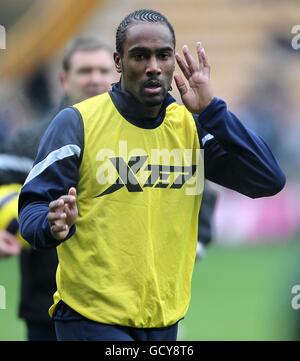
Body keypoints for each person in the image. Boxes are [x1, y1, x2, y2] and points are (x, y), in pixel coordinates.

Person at [19, 9, 286, 341]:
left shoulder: (191, 125)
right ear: (119, 61)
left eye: (163, 55)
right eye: (140, 56)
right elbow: (30, 208)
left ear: (174, 61)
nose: (153, 67)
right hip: (90, 316)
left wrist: (213, 110)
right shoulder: (77, 123)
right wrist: (51, 224)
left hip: (163, 318)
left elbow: (268, 179)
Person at [0, 36, 115, 340]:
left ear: (116, 76)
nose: (95, 79)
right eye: (85, 71)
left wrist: (196, 240)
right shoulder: (31, 139)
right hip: (47, 305)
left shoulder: (138, 132)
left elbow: (194, 182)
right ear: (65, 79)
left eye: (103, 71)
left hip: (124, 301)